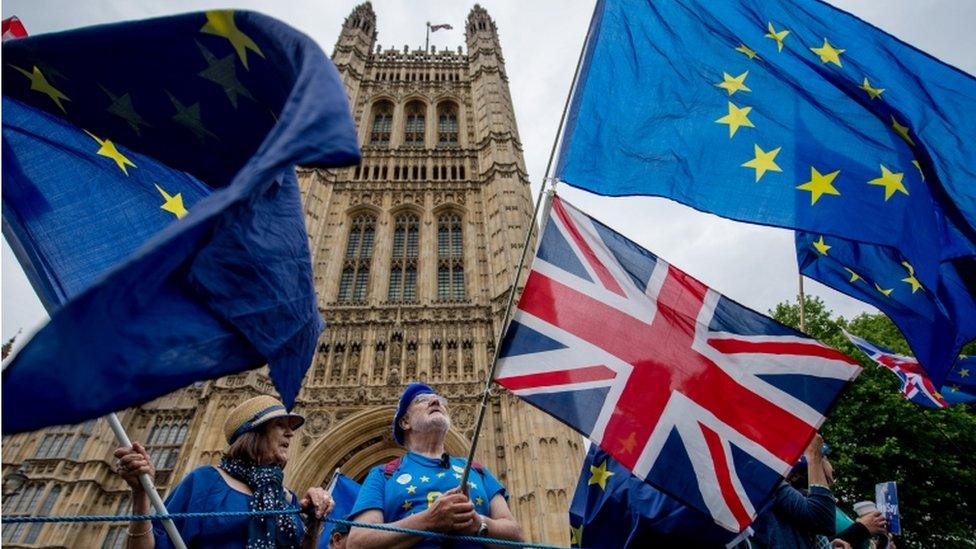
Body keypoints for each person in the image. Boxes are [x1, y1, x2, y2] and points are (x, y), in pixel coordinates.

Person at [114, 395, 335, 548]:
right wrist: (141, 494)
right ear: (254, 433)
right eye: (280, 425)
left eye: (290, 427)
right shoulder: (206, 482)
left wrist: (314, 523)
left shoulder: (286, 498)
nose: (290, 433)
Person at [346, 383, 522, 548]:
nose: (436, 401)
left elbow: (516, 536)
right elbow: (358, 542)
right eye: (422, 400)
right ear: (405, 422)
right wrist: (429, 520)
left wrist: (478, 523)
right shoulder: (384, 474)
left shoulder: (477, 470)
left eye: (441, 401)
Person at [748, 433, 837, 549]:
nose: (831, 467)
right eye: (823, 458)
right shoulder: (770, 482)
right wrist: (814, 457)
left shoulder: (794, 506)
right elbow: (823, 519)